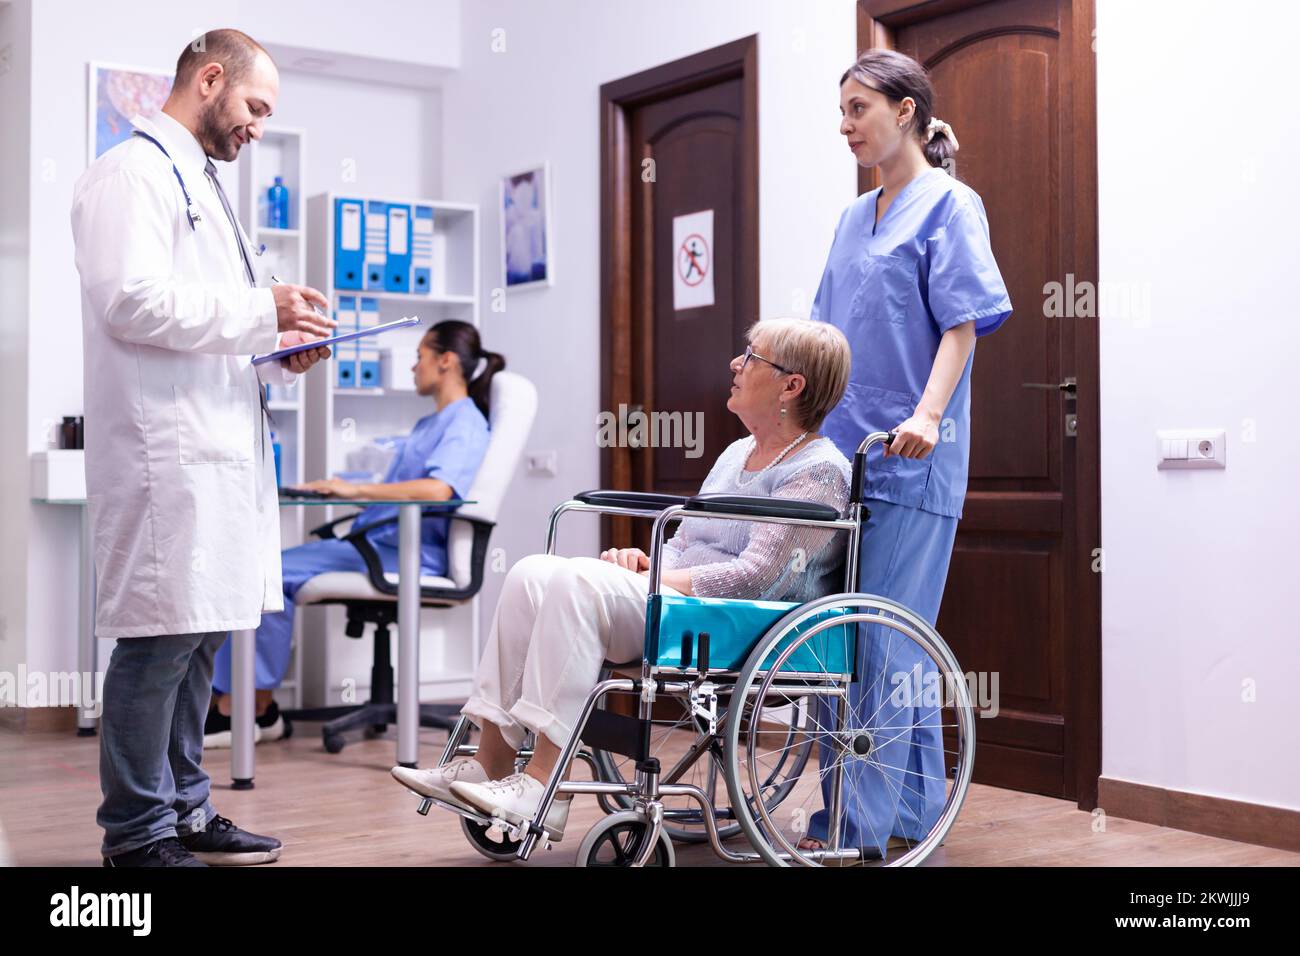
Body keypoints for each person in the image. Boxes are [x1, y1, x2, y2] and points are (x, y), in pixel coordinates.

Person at [392, 317, 854, 840]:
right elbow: (685, 542)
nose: (735, 363)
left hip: (739, 623)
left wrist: (662, 574)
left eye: (752, 357)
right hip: (689, 605)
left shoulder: (818, 471)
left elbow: (761, 578)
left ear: (792, 385)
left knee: (575, 584)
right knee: (533, 573)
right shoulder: (735, 455)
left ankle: (544, 784)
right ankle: (491, 761)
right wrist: (646, 559)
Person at [71, 29, 334, 867]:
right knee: (157, 645)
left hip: (215, 450)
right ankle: (137, 833)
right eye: (255, 106)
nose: (258, 125)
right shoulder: (131, 175)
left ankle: (187, 809)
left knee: (201, 636)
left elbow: (215, 323)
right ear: (210, 79)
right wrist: (264, 310)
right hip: (164, 456)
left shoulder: (208, 186)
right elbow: (132, 303)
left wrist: (279, 350)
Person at [802, 49, 1013, 858]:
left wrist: (928, 415)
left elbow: (961, 324)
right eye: (843, 110)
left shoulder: (953, 206)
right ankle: (906, 819)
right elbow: (827, 333)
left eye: (860, 108)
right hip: (840, 457)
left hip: (913, 456)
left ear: (907, 113)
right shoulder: (855, 219)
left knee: (884, 643)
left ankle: (853, 831)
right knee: (845, 644)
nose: (847, 125)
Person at [204, 321, 502, 744]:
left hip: (406, 553)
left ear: (446, 361)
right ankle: (258, 708)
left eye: (419, 357)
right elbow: (401, 485)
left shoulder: (465, 423)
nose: (413, 367)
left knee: (267, 573)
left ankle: (242, 712)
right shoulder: (430, 424)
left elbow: (441, 489)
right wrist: (338, 482)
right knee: (262, 568)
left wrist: (353, 489)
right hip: (379, 543)